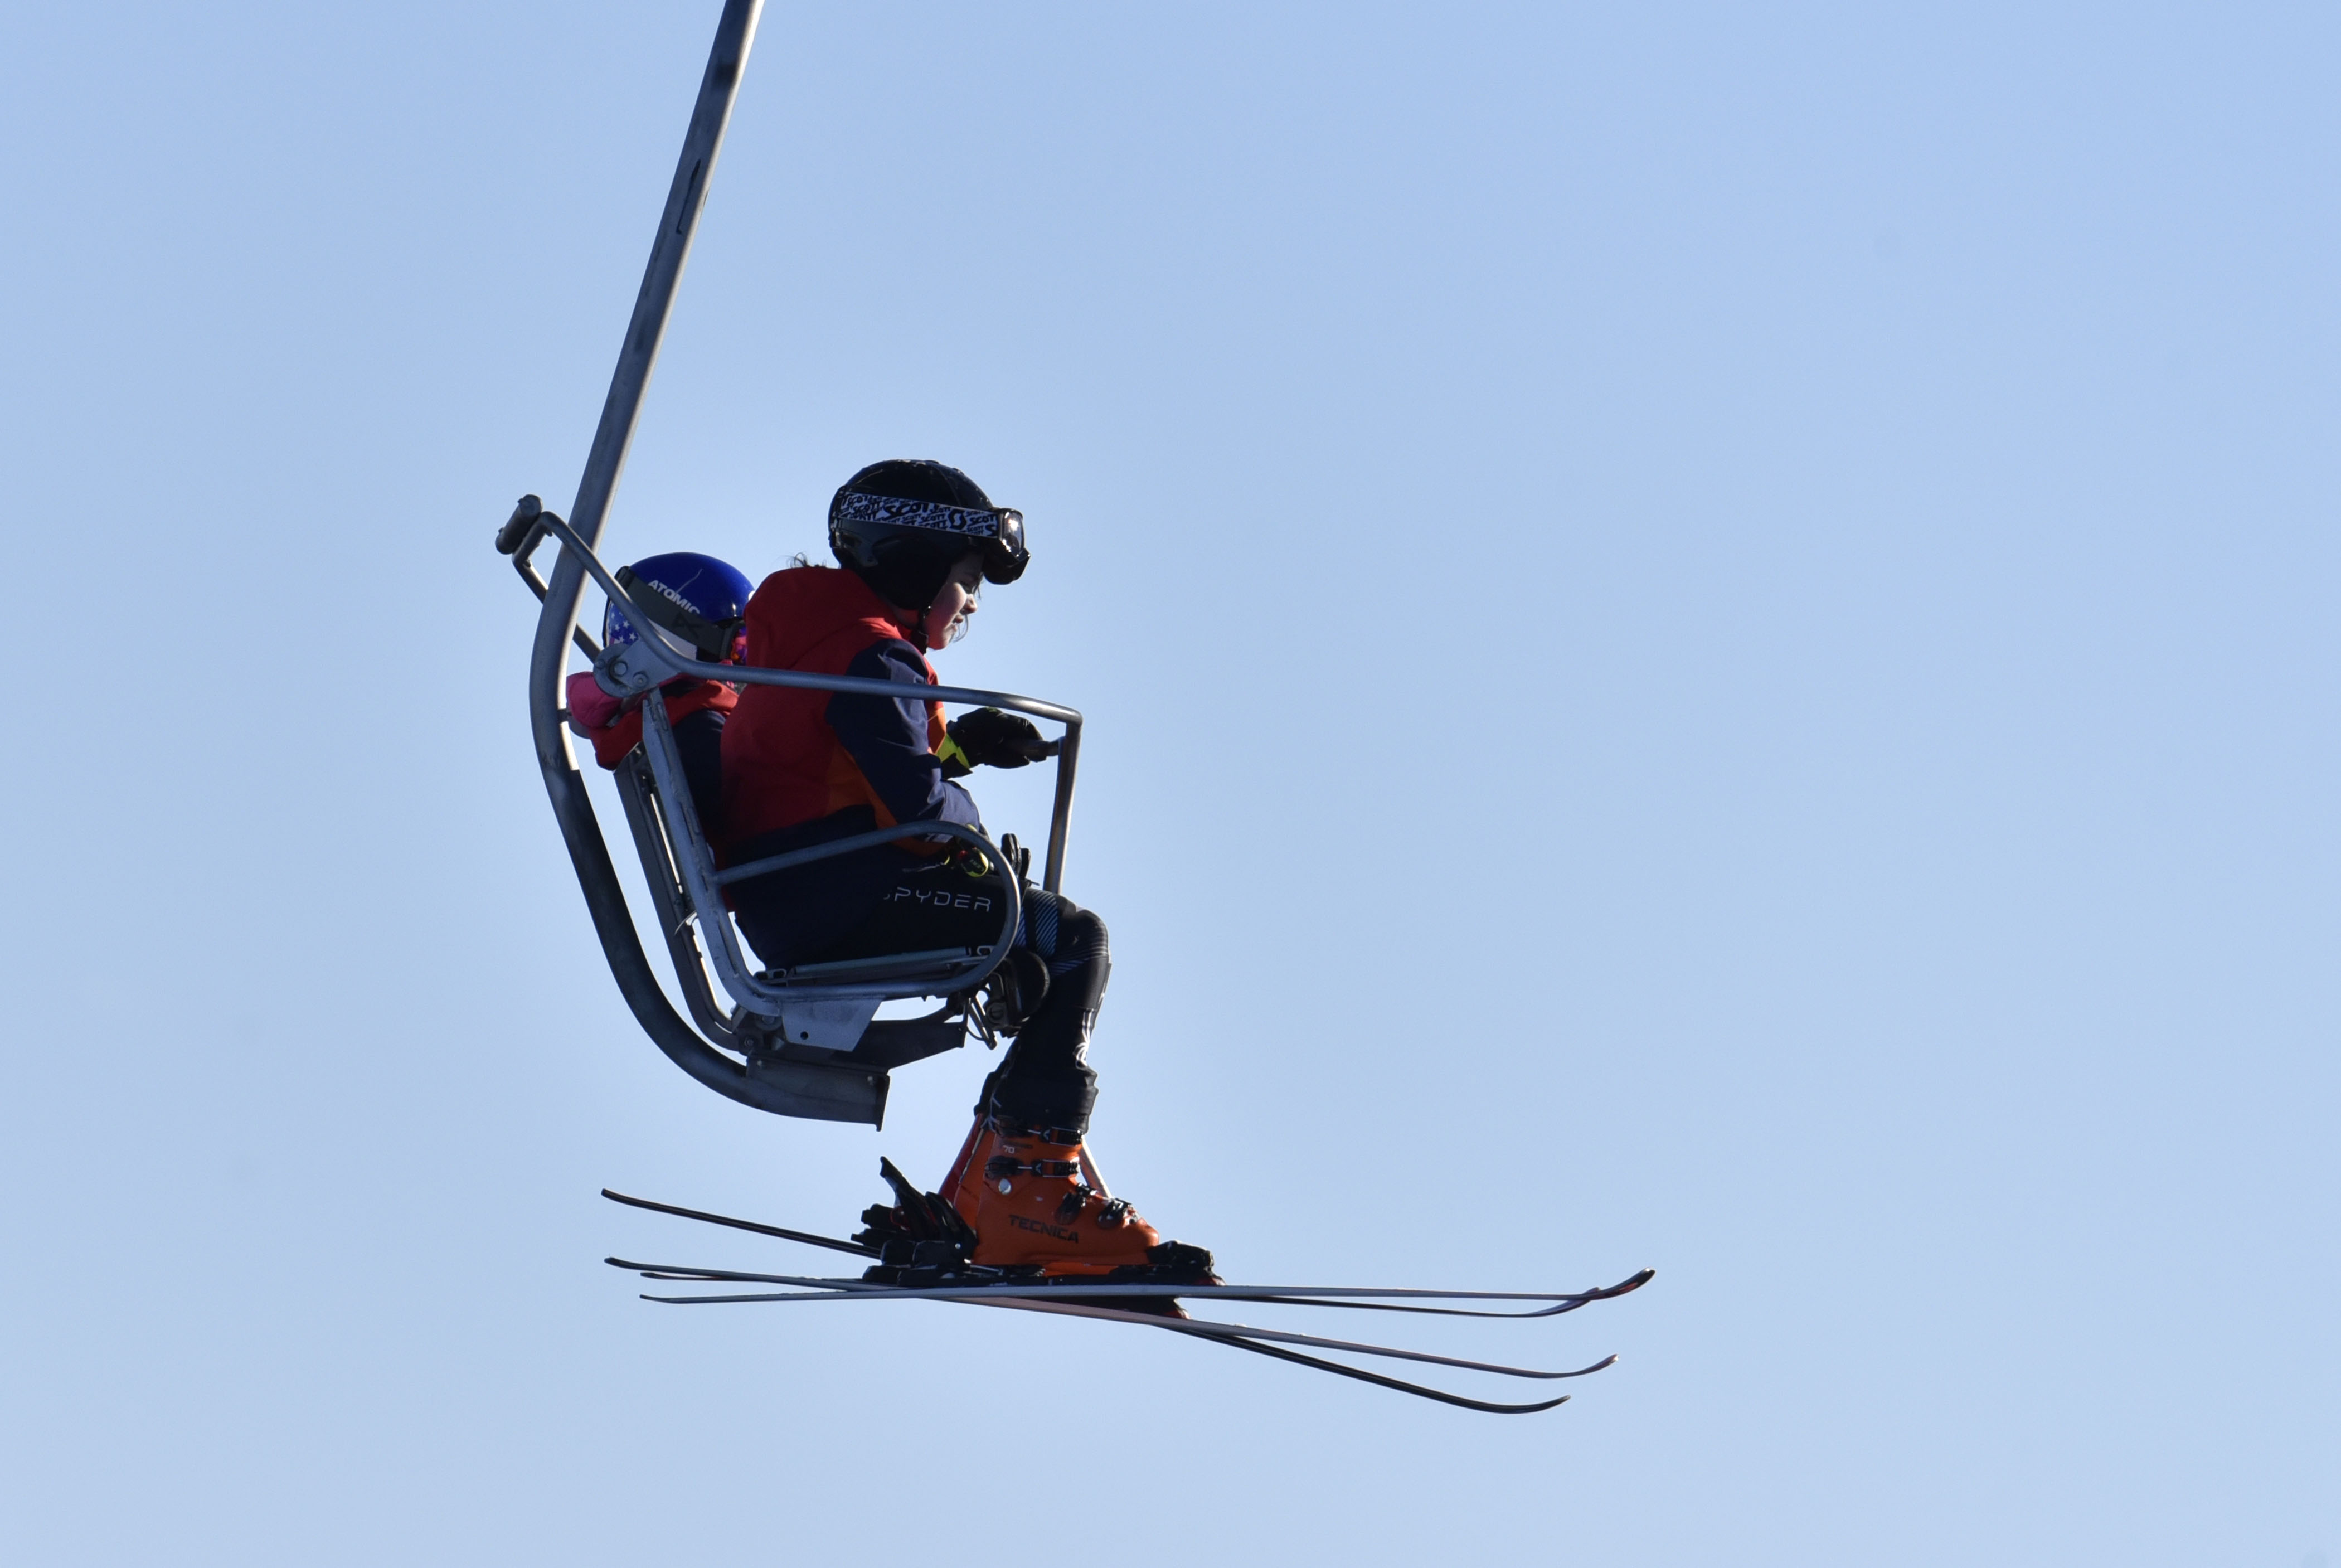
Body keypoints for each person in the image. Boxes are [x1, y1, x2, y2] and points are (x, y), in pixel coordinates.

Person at [720, 459, 1212, 1281]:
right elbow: (913, 814)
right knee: (1072, 938)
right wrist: (973, 838)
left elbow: (863, 771)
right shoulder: (876, 660)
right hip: (840, 896)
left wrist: (962, 749)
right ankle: (1030, 1190)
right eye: (968, 578)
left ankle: (990, 1189)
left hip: (801, 883)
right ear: (913, 564)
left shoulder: (813, 634)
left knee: (1036, 928)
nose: (974, 601)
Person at [565, 551, 750, 832]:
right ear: (684, 633)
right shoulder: (698, 726)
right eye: (739, 646)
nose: (743, 665)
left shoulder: (658, 724)